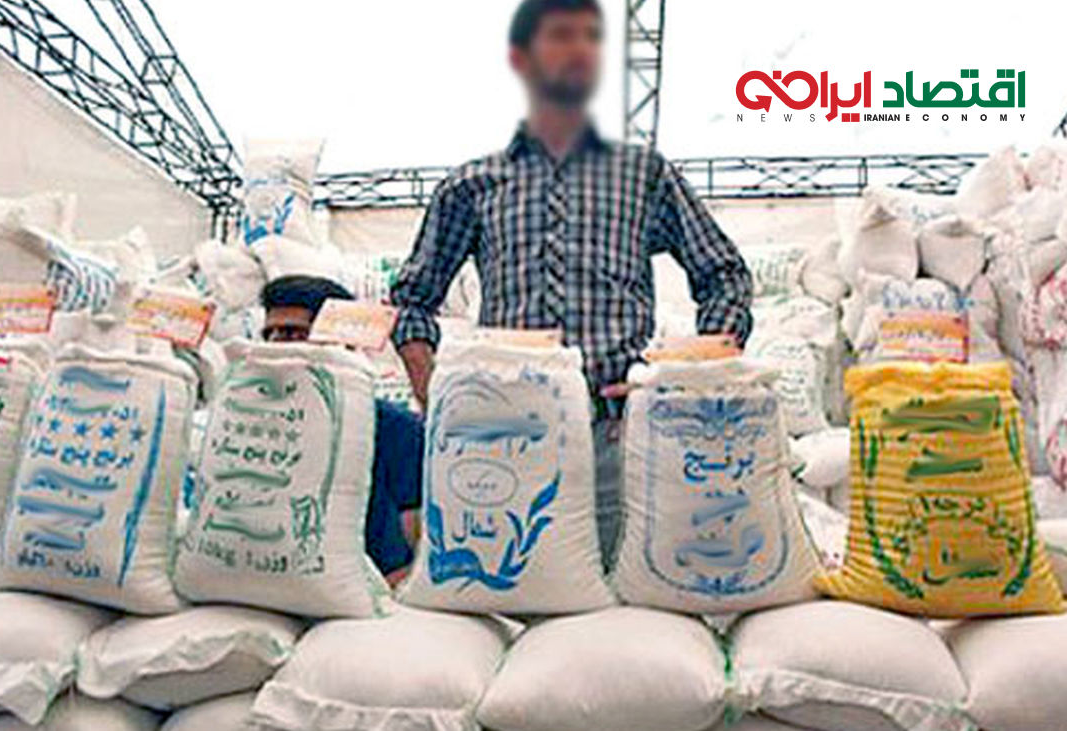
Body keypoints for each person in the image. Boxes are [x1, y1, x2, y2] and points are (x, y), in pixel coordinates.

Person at [388, 0, 754, 567]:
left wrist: (690, 376)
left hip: (617, 441)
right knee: (512, 590)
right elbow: (413, 299)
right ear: (521, 58)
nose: (580, 50)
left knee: (620, 597)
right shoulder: (473, 185)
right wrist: (435, 395)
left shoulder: (643, 174)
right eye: (561, 35)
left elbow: (723, 275)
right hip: (507, 441)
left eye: (591, 37)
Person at [260, 274, 424, 585]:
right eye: (270, 335)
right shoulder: (254, 426)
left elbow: (415, 545)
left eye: (293, 333)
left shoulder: (396, 428)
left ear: (340, 341)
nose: (276, 346)